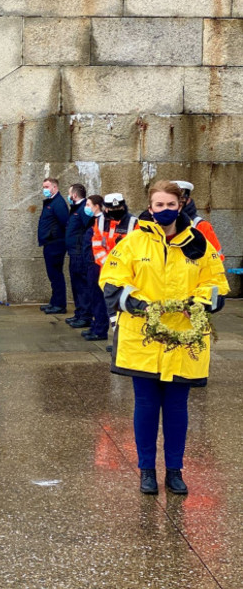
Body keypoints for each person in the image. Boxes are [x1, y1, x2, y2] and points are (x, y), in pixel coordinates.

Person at [99, 180, 228, 496]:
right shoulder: (133, 243)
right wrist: (141, 305)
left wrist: (199, 302)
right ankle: (146, 470)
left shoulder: (198, 244)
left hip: (183, 340)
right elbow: (113, 281)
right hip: (141, 339)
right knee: (145, 406)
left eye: (170, 204)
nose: (165, 210)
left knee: (176, 408)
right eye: (159, 205)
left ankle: (174, 470)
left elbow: (216, 283)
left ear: (180, 205)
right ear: (150, 207)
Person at [38, 177, 69, 314]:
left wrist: (55, 236)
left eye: (47, 187)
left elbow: (65, 223)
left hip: (55, 244)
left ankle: (60, 304)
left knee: (56, 275)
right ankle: (54, 301)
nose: (44, 189)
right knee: (53, 275)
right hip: (49, 243)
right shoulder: (51, 202)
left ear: (54, 187)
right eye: (44, 187)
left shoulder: (58, 203)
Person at [80, 195, 109, 342]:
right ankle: (95, 325)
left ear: (97, 206)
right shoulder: (95, 221)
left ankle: (100, 329)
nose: (87, 207)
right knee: (93, 297)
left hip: (97, 264)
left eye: (89, 204)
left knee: (98, 299)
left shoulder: (103, 221)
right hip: (90, 263)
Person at [172, 180, 224, 261]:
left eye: (181, 199)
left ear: (188, 199)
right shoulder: (158, 223)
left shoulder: (201, 225)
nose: (179, 204)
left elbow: (217, 257)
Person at [65, 183, 93, 328]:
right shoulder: (75, 209)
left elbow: (89, 229)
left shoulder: (83, 210)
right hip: (73, 252)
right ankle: (79, 313)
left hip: (79, 253)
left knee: (82, 286)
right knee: (76, 286)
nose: (68, 196)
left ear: (74, 195)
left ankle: (85, 315)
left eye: (69, 193)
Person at [91, 192, 138, 268]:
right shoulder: (100, 222)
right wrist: (109, 264)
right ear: (106, 209)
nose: (115, 210)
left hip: (126, 269)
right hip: (105, 268)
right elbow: (97, 246)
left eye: (118, 208)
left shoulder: (133, 223)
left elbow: (136, 249)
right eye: (112, 209)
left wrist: (121, 265)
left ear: (123, 207)